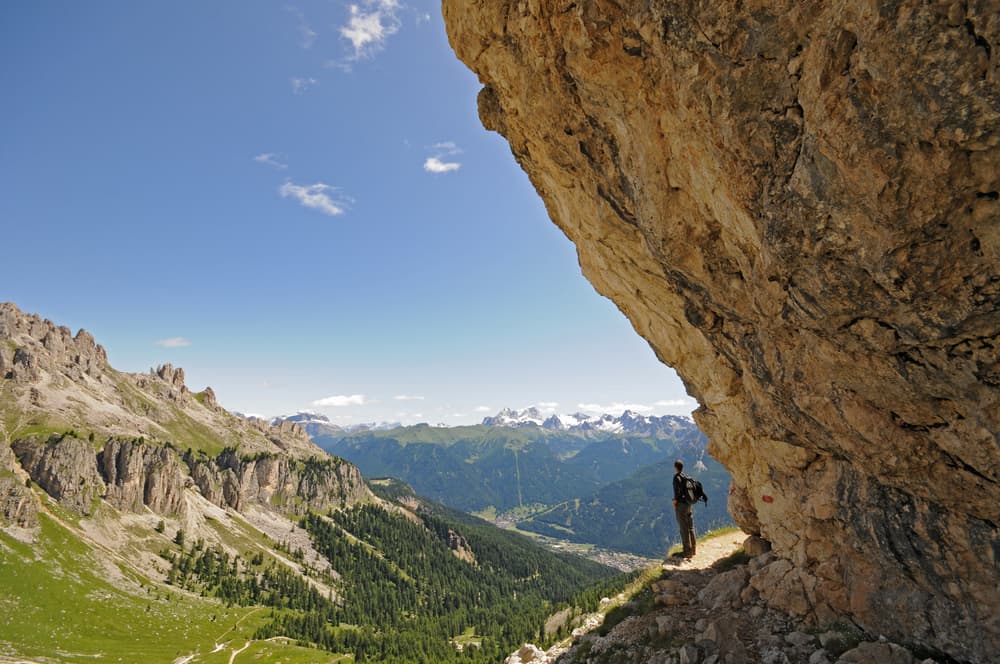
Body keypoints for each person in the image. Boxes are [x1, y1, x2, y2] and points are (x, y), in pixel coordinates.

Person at [672, 460, 696, 559]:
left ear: (675, 467)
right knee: (690, 527)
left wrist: (675, 501)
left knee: (683, 528)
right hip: (689, 504)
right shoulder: (686, 477)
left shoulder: (676, 477)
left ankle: (686, 552)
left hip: (681, 505)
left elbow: (677, 492)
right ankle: (693, 550)